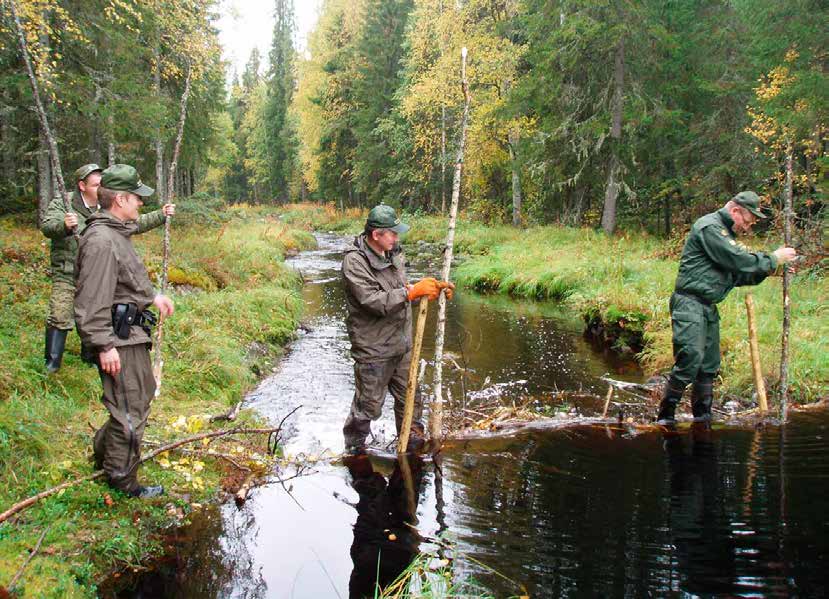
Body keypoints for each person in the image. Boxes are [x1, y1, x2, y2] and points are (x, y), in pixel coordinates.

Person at [74, 164, 174, 498]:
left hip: (130, 336)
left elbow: (124, 281)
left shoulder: (116, 234)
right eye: (136, 199)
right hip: (118, 340)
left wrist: (152, 297)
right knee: (129, 410)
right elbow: (91, 300)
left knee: (138, 397)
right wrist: (104, 345)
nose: (141, 205)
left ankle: (104, 454)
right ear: (120, 200)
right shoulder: (102, 241)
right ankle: (121, 479)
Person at [655, 191, 797, 425]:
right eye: (747, 221)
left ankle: (703, 418)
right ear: (735, 211)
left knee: (708, 365)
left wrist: (772, 270)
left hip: (707, 306)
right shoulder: (710, 228)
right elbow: (738, 260)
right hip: (689, 303)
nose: (747, 228)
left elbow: (738, 274)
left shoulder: (725, 236)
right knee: (690, 357)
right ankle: (665, 417)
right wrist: (773, 258)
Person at [40, 163, 174, 372]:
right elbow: (47, 226)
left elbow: (134, 224)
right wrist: (64, 225)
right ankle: (51, 364)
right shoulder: (64, 203)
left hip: (99, 273)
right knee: (60, 314)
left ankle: (91, 356)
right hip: (68, 273)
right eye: (95, 184)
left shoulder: (106, 208)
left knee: (97, 310)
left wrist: (161, 214)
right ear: (82, 186)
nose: (100, 188)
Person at [342, 204, 454, 454]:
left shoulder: (392, 253)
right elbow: (372, 301)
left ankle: (413, 449)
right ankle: (354, 454)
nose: (397, 237)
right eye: (392, 233)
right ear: (376, 235)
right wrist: (411, 292)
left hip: (401, 345)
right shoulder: (354, 262)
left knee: (411, 400)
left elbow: (400, 288)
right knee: (368, 406)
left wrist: (431, 288)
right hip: (373, 349)